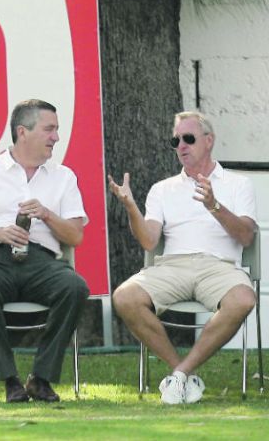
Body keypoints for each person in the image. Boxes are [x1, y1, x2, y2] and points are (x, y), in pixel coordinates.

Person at [108, 111, 257, 404]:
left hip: (219, 266)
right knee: (124, 297)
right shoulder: (162, 189)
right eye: (175, 141)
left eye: (188, 139)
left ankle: (181, 374)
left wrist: (215, 206)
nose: (181, 146)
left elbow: (246, 236)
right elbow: (149, 240)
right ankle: (181, 374)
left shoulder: (238, 184)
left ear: (209, 140)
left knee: (243, 300)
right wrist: (130, 207)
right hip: (172, 265)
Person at [0, 99, 90, 403]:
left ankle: (40, 378)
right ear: (22, 132)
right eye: (49, 129)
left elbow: (75, 236)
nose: (56, 137)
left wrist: (48, 215)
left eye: (57, 130)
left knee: (75, 286)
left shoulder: (63, 177)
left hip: (42, 262)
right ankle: (9, 380)